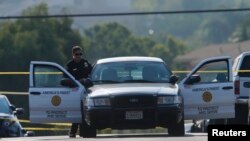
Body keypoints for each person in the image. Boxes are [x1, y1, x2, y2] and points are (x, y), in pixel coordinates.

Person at [65, 45, 92, 138]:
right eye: (77, 54)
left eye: (80, 54)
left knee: (85, 111)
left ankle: (84, 131)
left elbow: (92, 73)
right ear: (73, 54)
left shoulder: (85, 63)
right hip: (74, 90)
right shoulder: (70, 65)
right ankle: (73, 131)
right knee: (77, 110)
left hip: (85, 91)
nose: (79, 56)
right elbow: (65, 79)